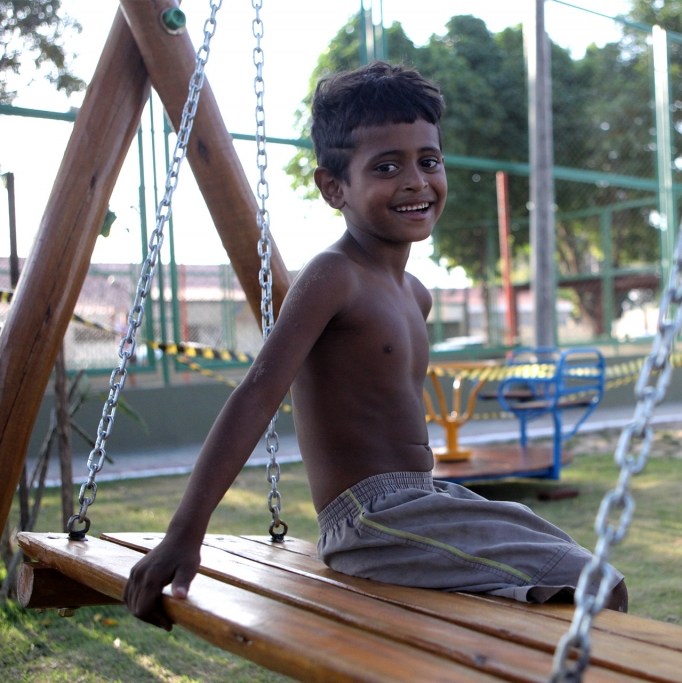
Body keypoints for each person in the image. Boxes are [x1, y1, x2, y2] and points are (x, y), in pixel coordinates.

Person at [123, 62, 626, 631]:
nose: (416, 181)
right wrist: (185, 533)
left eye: (428, 161)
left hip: (424, 500)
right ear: (334, 187)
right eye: (387, 167)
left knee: (557, 568)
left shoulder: (415, 295)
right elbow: (258, 393)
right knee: (592, 584)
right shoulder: (333, 277)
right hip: (368, 519)